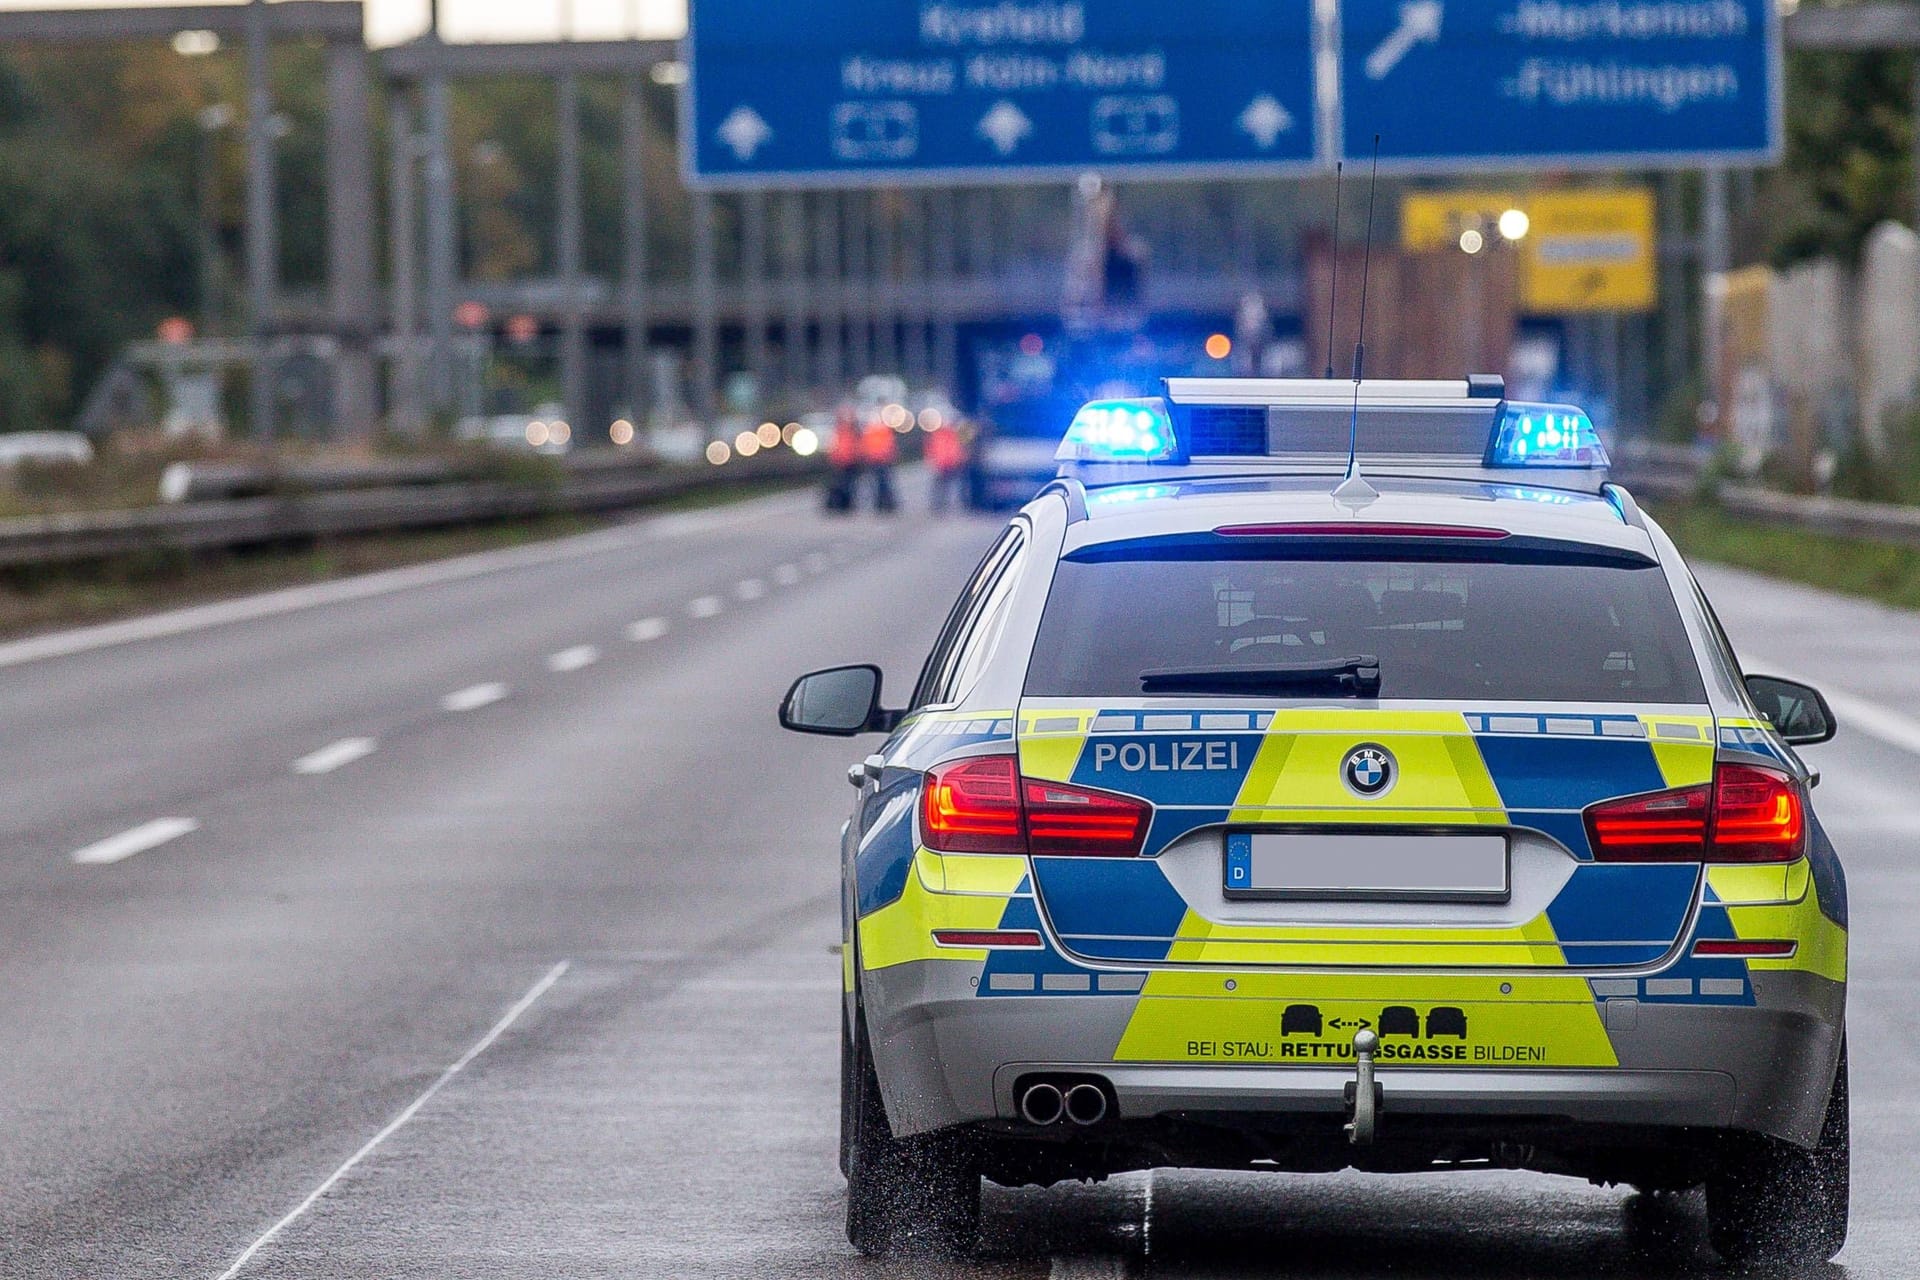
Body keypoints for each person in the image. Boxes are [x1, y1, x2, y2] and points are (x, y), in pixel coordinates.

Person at [927, 416, 969, 513]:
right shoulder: (949, 435)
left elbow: (933, 449)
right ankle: (940, 504)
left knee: (942, 486)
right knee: (944, 486)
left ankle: (939, 504)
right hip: (945, 463)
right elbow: (934, 449)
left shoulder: (941, 435)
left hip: (945, 464)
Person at [824, 406, 861, 513]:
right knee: (843, 484)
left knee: (849, 484)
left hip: (851, 461)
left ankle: (847, 503)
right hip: (841, 461)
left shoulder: (853, 430)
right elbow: (834, 445)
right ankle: (843, 504)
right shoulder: (839, 430)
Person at [860, 412, 899, 513]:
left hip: (881, 461)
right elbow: (866, 446)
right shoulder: (873, 432)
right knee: (880, 484)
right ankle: (882, 503)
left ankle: (885, 503)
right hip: (876, 461)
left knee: (883, 483)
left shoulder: (879, 432)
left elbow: (889, 445)